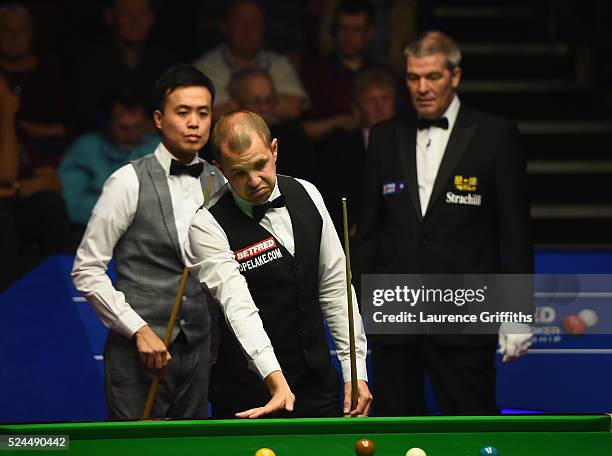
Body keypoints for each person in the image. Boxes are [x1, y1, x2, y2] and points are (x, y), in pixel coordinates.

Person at [353, 31, 533, 415]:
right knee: (395, 433)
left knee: (471, 429)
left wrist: (517, 312)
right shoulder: (384, 136)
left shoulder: (496, 135)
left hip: (465, 314)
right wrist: (355, 312)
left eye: (432, 76)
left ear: (455, 76)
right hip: (396, 315)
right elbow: (368, 233)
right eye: (413, 77)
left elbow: (515, 232)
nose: (421, 87)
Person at [185, 111, 372, 419]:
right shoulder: (206, 225)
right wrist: (274, 379)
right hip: (248, 393)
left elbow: (335, 288)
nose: (254, 180)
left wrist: (355, 370)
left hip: (317, 387)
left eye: (260, 165)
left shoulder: (308, 193)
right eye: (240, 173)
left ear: (274, 150)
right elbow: (237, 306)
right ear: (220, 169)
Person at [71, 64, 225, 420]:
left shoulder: (219, 182)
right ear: (158, 118)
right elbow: (87, 269)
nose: (194, 122)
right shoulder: (127, 181)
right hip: (137, 356)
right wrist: (137, 328)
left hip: (200, 354)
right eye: (182, 112)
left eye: (203, 113)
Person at [0, 74, 71, 292]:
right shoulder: (7, 125)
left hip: (14, 201)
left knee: (50, 203)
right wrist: (6, 116)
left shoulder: (18, 130)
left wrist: (18, 188)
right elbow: (7, 174)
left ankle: (61, 283)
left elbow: (52, 181)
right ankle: (8, 295)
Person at [192, 0, 308, 121]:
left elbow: (293, 108)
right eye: (239, 21)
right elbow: (211, 114)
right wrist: (270, 103)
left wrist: (237, 104)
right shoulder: (204, 68)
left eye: (255, 22)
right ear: (225, 27)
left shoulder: (279, 63)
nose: (247, 29)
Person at [317, 66, 397, 239]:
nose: (379, 106)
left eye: (385, 98)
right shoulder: (340, 147)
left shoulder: (410, 143)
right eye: (371, 100)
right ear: (357, 108)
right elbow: (332, 196)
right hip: (353, 235)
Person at [74, 0, 177, 132]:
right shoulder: (90, 61)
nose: (135, 20)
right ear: (110, 16)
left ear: (151, 18)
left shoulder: (166, 61)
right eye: (126, 12)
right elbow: (84, 114)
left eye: (142, 13)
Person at [60, 92, 159, 227]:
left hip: (149, 231)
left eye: (137, 127)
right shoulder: (86, 148)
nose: (131, 134)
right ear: (107, 123)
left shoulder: (157, 147)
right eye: (123, 128)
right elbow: (73, 205)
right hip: (94, 229)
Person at [301, 0, 375, 140]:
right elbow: (301, 129)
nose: (348, 37)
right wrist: (338, 122)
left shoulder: (380, 74)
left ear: (369, 33)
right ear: (334, 30)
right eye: (343, 28)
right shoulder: (315, 73)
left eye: (356, 29)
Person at [227, 67, 316, 181]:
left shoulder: (292, 139)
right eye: (256, 102)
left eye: (269, 100)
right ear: (235, 103)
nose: (264, 108)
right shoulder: (225, 141)